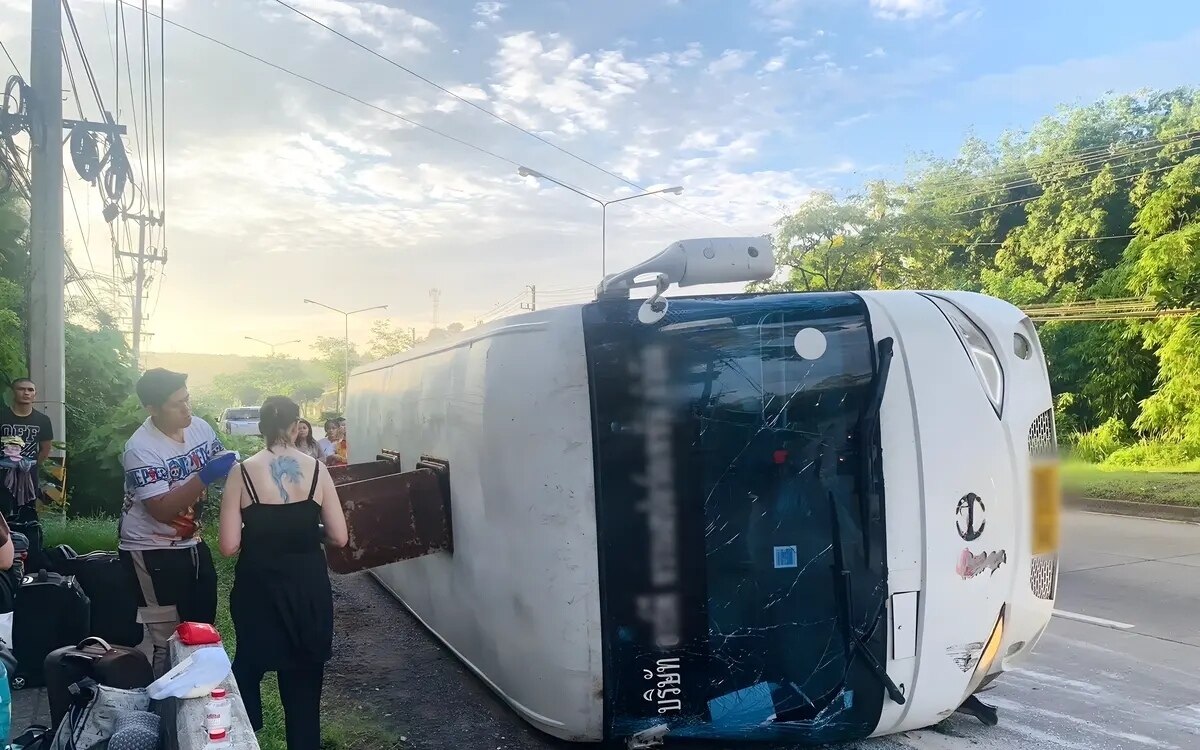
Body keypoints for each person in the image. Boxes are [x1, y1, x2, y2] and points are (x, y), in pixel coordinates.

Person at [218, 396, 348, 750]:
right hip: (307, 589)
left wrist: (260, 530)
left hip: (258, 589)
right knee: (304, 682)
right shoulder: (318, 471)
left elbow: (229, 545)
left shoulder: (241, 472)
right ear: (296, 426)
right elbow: (339, 536)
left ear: (261, 428)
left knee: (249, 663)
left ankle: (244, 733)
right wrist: (307, 530)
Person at [118, 368, 237, 677]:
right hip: (149, 550)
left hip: (193, 543)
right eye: (177, 403)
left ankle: (199, 699)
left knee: (201, 628)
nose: (187, 408)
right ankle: (163, 710)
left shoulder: (199, 428)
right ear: (153, 409)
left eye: (187, 399)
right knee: (167, 637)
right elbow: (161, 510)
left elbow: (227, 467)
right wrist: (205, 475)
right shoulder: (141, 448)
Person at [0, 378, 55, 517]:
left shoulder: (42, 420)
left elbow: (46, 448)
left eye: (30, 390)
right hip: (2, 472)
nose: (26, 393)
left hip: (28, 474)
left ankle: (27, 538)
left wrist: (33, 465)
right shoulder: (2, 416)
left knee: (27, 512)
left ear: (35, 394)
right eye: (21, 389)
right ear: (13, 392)